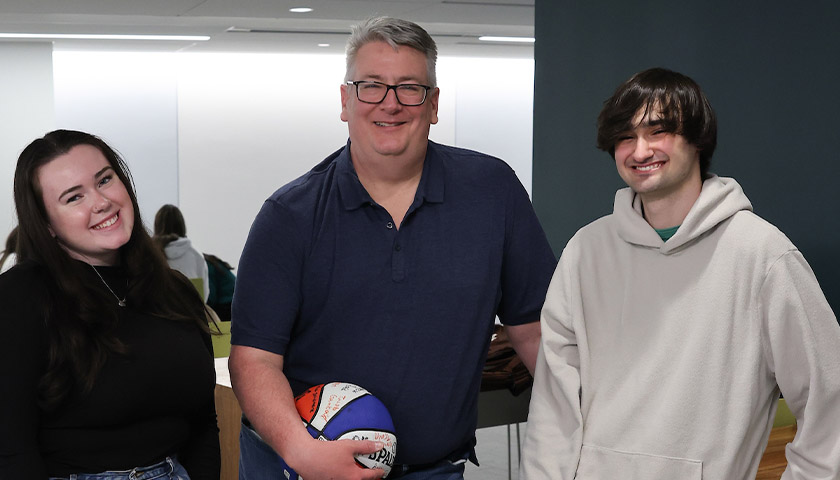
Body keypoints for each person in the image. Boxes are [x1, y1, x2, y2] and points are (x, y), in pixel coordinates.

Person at [229, 15, 556, 480]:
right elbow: (254, 360)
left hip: (433, 469)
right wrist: (301, 451)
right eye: (371, 86)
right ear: (345, 100)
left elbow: (534, 330)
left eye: (409, 88)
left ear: (434, 103)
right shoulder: (289, 216)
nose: (390, 103)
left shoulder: (492, 192)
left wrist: (593, 425)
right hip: (300, 466)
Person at [520, 68, 840, 479]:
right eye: (625, 136)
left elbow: (829, 399)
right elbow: (554, 404)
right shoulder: (586, 250)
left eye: (657, 132)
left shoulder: (762, 255)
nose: (639, 151)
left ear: (698, 139)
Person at [0, 130, 220, 479]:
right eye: (74, 198)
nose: (101, 202)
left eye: (105, 180)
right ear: (46, 224)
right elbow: (10, 449)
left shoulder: (173, 289)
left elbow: (204, 423)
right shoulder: (20, 297)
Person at [153, 204, 210, 302]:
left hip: (158, 314)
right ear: (182, 226)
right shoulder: (196, 255)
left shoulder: (150, 253)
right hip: (190, 314)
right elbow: (203, 296)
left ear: (157, 226)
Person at [204, 253, 235, 322]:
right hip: (236, 303)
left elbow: (211, 298)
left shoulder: (206, 265)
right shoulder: (210, 262)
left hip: (227, 306)